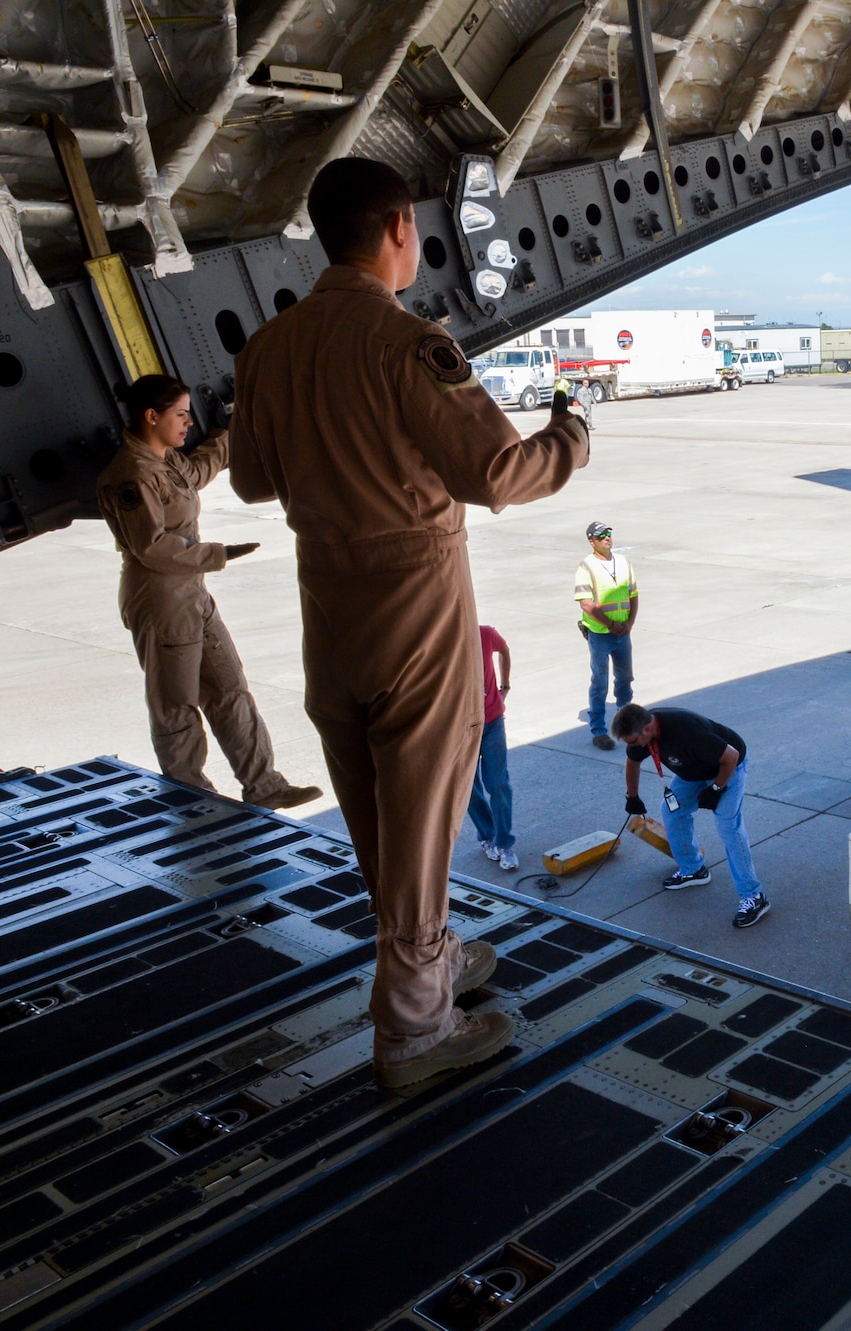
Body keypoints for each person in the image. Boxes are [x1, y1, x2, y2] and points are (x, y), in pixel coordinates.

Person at [230, 156, 590, 1091]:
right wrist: (570, 440)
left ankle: (429, 956)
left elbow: (251, 482)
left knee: (381, 831)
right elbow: (500, 475)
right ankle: (415, 1031)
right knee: (423, 818)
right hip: (414, 608)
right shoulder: (409, 341)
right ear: (398, 228)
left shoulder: (266, 349)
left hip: (328, 611)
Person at [97, 374, 319, 810]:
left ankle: (265, 785)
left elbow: (198, 472)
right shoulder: (130, 475)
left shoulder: (166, 461)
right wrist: (217, 554)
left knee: (230, 687)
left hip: (189, 592)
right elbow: (152, 548)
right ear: (151, 416)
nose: (187, 422)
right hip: (161, 598)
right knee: (176, 705)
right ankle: (191, 799)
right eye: (180, 414)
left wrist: (232, 431)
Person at [613, 703, 769, 929]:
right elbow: (633, 763)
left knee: (728, 825)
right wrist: (632, 797)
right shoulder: (641, 734)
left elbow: (731, 756)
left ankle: (754, 897)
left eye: (632, 741)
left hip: (727, 768)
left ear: (647, 729)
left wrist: (716, 789)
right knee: (672, 811)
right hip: (693, 771)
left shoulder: (685, 730)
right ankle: (693, 869)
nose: (632, 747)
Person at [575, 521, 638, 750]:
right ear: (592, 542)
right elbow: (586, 604)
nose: (607, 538)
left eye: (608, 533)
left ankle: (627, 723)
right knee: (599, 682)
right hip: (601, 633)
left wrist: (629, 623)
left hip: (623, 632)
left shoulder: (623, 562)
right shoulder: (586, 567)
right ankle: (599, 731)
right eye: (601, 536)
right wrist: (611, 624)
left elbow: (633, 594)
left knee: (625, 679)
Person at [467, 623, 517, 872]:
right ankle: (488, 836)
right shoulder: (442, 644)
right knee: (467, 786)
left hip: (493, 720)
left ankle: (505, 843)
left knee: (498, 783)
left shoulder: (484, 633)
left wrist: (504, 686)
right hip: (462, 728)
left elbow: (504, 649)